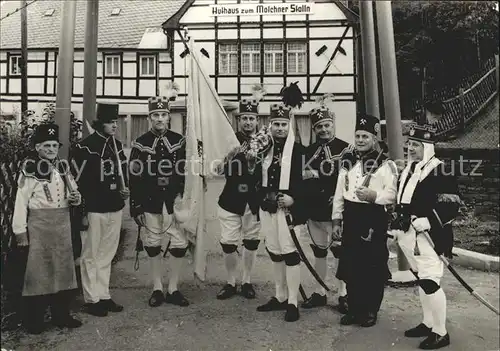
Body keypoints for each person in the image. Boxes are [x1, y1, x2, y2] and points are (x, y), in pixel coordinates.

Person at [392, 124, 461, 350]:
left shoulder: (442, 170)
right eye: (409, 144)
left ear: (428, 147)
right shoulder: (409, 169)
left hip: (431, 236)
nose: (410, 149)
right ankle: (428, 322)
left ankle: (441, 332)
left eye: (416, 145)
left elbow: (451, 204)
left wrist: (430, 221)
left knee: (430, 281)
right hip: (408, 233)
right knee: (423, 279)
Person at [13, 123, 82, 334]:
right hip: (40, 225)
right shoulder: (30, 169)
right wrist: (20, 232)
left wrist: (76, 198)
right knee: (39, 272)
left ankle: (61, 315)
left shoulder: (62, 166)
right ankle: (34, 320)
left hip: (61, 224)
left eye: (54, 145)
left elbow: (74, 191)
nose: (52, 149)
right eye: (47, 146)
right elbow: (20, 201)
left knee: (62, 271)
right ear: (37, 147)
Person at [331, 113, 397, 327]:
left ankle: (370, 310)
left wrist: (374, 196)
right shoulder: (347, 161)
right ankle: (354, 307)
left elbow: (393, 194)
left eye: (365, 136)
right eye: (357, 136)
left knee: (371, 266)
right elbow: (340, 193)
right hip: (351, 215)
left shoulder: (386, 164)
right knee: (351, 264)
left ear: (374, 138)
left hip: (372, 217)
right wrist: (336, 221)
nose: (360, 140)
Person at [129, 96, 190, 307]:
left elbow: (185, 172)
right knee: (152, 243)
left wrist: (184, 196)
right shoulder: (140, 143)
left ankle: (173, 288)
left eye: (164, 115)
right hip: (150, 200)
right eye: (156, 115)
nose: (160, 119)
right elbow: (134, 177)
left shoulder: (179, 141)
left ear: (168, 117)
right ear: (149, 117)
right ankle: (157, 288)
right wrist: (135, 206)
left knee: (180, 243)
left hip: (174, 201)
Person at [249, 103, 305, 322]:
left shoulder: (299, 150)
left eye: (283, 124)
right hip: (268, 207)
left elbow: (306, 183)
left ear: (289, 126)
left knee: (290, 253)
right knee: (275, 251)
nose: (280, 128)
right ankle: (279, 296)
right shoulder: (262, 149)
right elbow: (253, 177)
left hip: (288, 209)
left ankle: (292, 302)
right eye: (276, 124)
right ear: (269, 126)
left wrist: (294, 199)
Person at [72, 102, 128, 317]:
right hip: (94, 208)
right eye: (110, 122)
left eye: (115, 122)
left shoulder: (118, 145)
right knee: (91, 254)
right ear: (99, 124)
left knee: (107, 254)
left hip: (115, 206)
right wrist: (83, 212)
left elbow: (123, 173)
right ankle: (91, 298)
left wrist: (125, 190)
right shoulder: (85, 147)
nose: (114, 126)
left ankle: (103, 294)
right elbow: (79, 182)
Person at [301, 106, 353, 311]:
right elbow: (303, 181)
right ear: (314, 129)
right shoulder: (307, 151)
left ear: (333, 125)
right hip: (315, 212)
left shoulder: (347, 149)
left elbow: (351, 180)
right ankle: (320, 292)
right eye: (319, 126)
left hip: (337, 213)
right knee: (319, 252)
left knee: (340, 252)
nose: (324, 130)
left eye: (327, 125)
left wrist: (341, 201)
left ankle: (344, 294)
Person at [216, 98, 261, 300]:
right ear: (238, 120)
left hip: (254, 200)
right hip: (231, 198)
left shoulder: (264, 142)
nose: (248, 122)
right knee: (228, 242)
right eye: (244, 118)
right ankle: (231, 281)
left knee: (251, 241)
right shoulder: (230, 141)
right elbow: (219, 168)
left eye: (252, 118)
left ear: (257, 120)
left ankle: (247, 281)